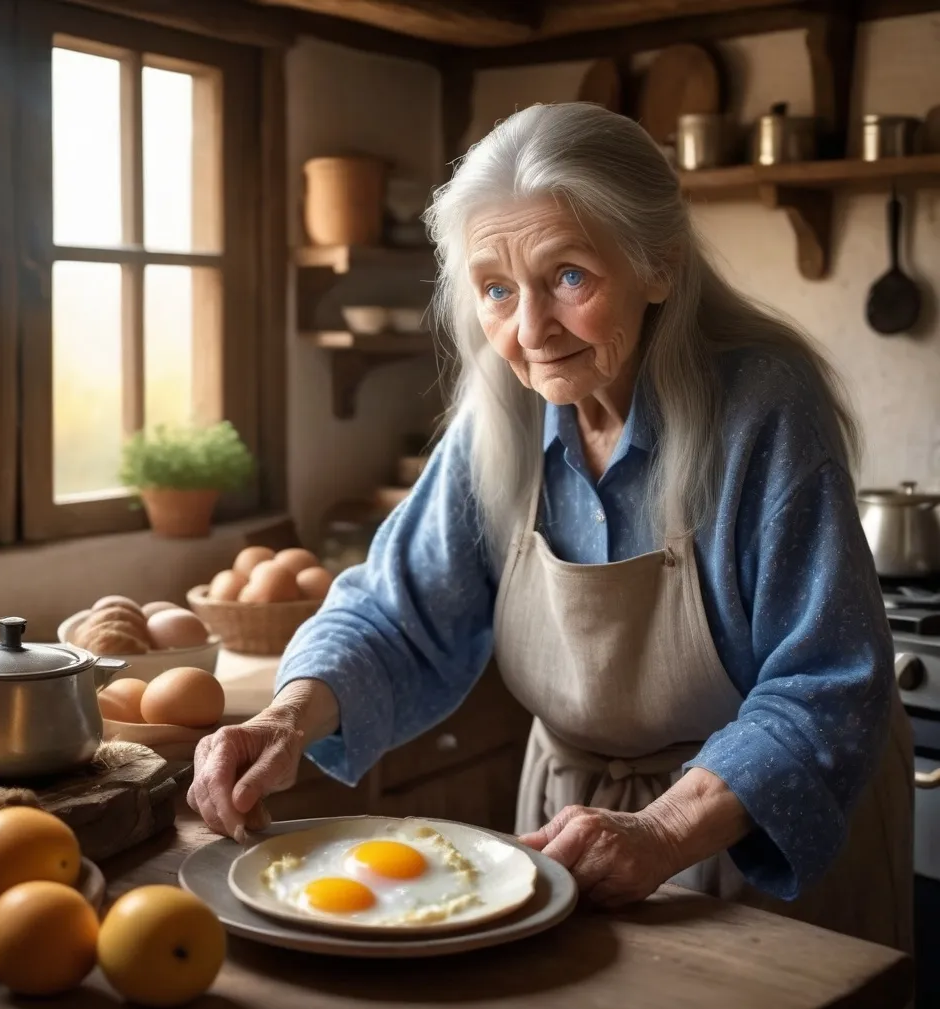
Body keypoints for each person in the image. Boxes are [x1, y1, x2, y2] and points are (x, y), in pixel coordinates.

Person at [189, 102, 912, 951]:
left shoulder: (762, 410)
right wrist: (284, 718)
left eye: (569, 276)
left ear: (659, 267)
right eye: (496, 290)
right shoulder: (501, 415)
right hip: (573, 832)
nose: (529, 333)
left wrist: (665, 831)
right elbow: (396, 614)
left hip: (754, 837)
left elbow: (827, 683)